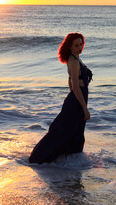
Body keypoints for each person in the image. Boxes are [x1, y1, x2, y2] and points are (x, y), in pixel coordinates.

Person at [29, 33, 93, 164]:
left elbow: (70, 82)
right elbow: (75, 86)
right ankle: (40, 158)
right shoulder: (74, 61)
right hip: (77, 102)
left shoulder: (76, 58)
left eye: (81, 44)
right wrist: (84, 108)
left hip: (77, 100)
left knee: (75, 131)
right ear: (69, 47)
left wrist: (74, 98)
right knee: (64, 131)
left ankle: (69, 160)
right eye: (76, 45)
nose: (80, 47)